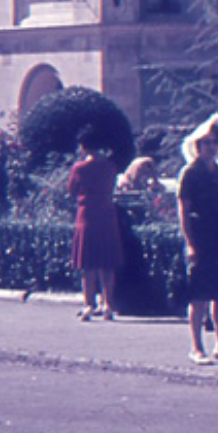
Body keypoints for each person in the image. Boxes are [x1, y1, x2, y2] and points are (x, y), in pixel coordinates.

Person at [176, 117, 218, 365]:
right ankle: (196, 346)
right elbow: (184, 209)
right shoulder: (190, 173)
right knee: (199, 293)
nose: (211, 147)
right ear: (197, 145)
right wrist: (190, 243)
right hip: (200, 235)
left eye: (215, 142)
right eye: (206, 142)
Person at [67, 126, 122, 321]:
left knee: (87, 263)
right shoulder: (110, 166)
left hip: (86, 214)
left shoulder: (79, 168)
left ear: (83, 146)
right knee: (107, 262)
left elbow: (71, 189)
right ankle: (108, 304)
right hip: (107, 213)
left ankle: (89, 304)